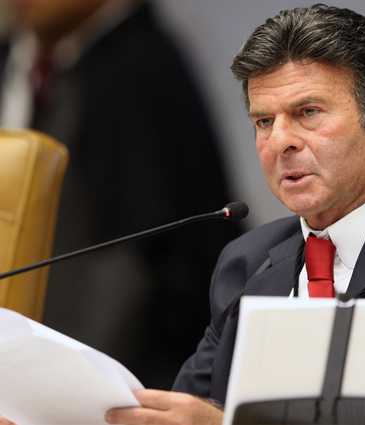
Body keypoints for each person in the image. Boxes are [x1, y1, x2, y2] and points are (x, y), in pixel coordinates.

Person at [4, 4, 365, 425]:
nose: (280, 141)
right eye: (263, 121)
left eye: (307, 112)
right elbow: (188, 410)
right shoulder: (250, 262)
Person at [0, 0, 241, 390]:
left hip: (103, 383)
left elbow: (135, 270)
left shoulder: (137, 70)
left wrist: (66, 391)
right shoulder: (21, 60)